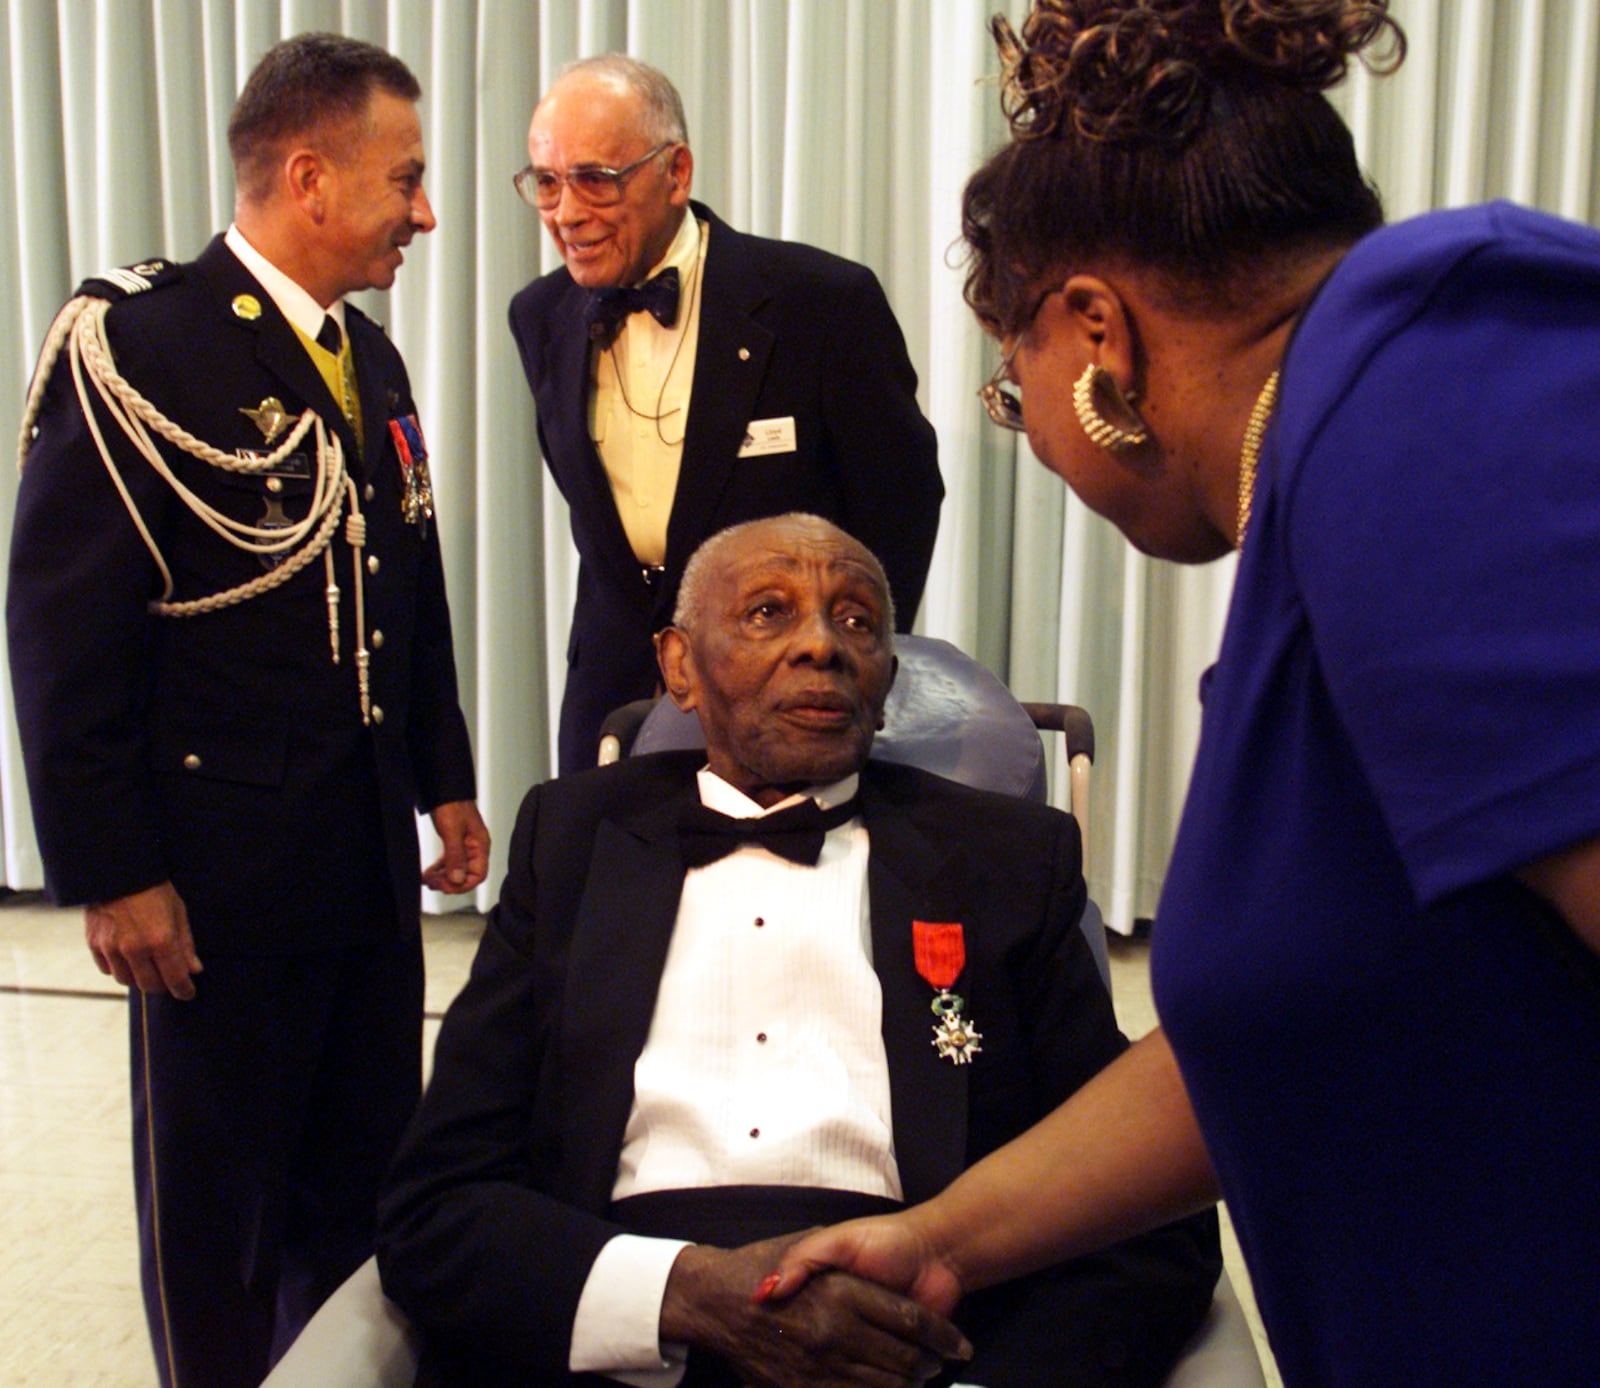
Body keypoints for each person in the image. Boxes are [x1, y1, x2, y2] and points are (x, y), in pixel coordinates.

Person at [763, 4, 1600, 1386]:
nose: (1025, 437)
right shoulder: (1331, 504)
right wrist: (943, 1239)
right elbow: (1293, 1031)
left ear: (1097, 335)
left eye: (1008, 390)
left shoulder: (1425, 389)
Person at [376, 513, 1220, 1387]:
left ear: (886, 676)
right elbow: (437, 1203)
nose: (821, 645)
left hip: (913, 1345)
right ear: (679, 666)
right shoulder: (573, 841)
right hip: (625, 1335)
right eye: (768, 612)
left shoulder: (1007, 861)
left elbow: (1152, 1226)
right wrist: (684, 1293)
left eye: (856, 620)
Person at [6, 33, 489, 1388]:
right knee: (217, 1205)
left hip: (356, 863)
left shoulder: (368, 361)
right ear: (309, 176)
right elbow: (60, 637)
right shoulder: (141, 346)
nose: (425, 212)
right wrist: (117, 872)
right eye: (406, 180)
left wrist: (442, 775)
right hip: (208, 877)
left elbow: (410, 582)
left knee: (363, 1169)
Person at [507, 54, 943, 773]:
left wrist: (854, 662)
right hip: (612, 696)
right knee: (608, 884)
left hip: (783, 696)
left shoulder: (819, 302)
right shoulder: (540, 316)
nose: (566, 212)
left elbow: (900, 502)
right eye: (546, 184)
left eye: (595, 180)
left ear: (675, 173)